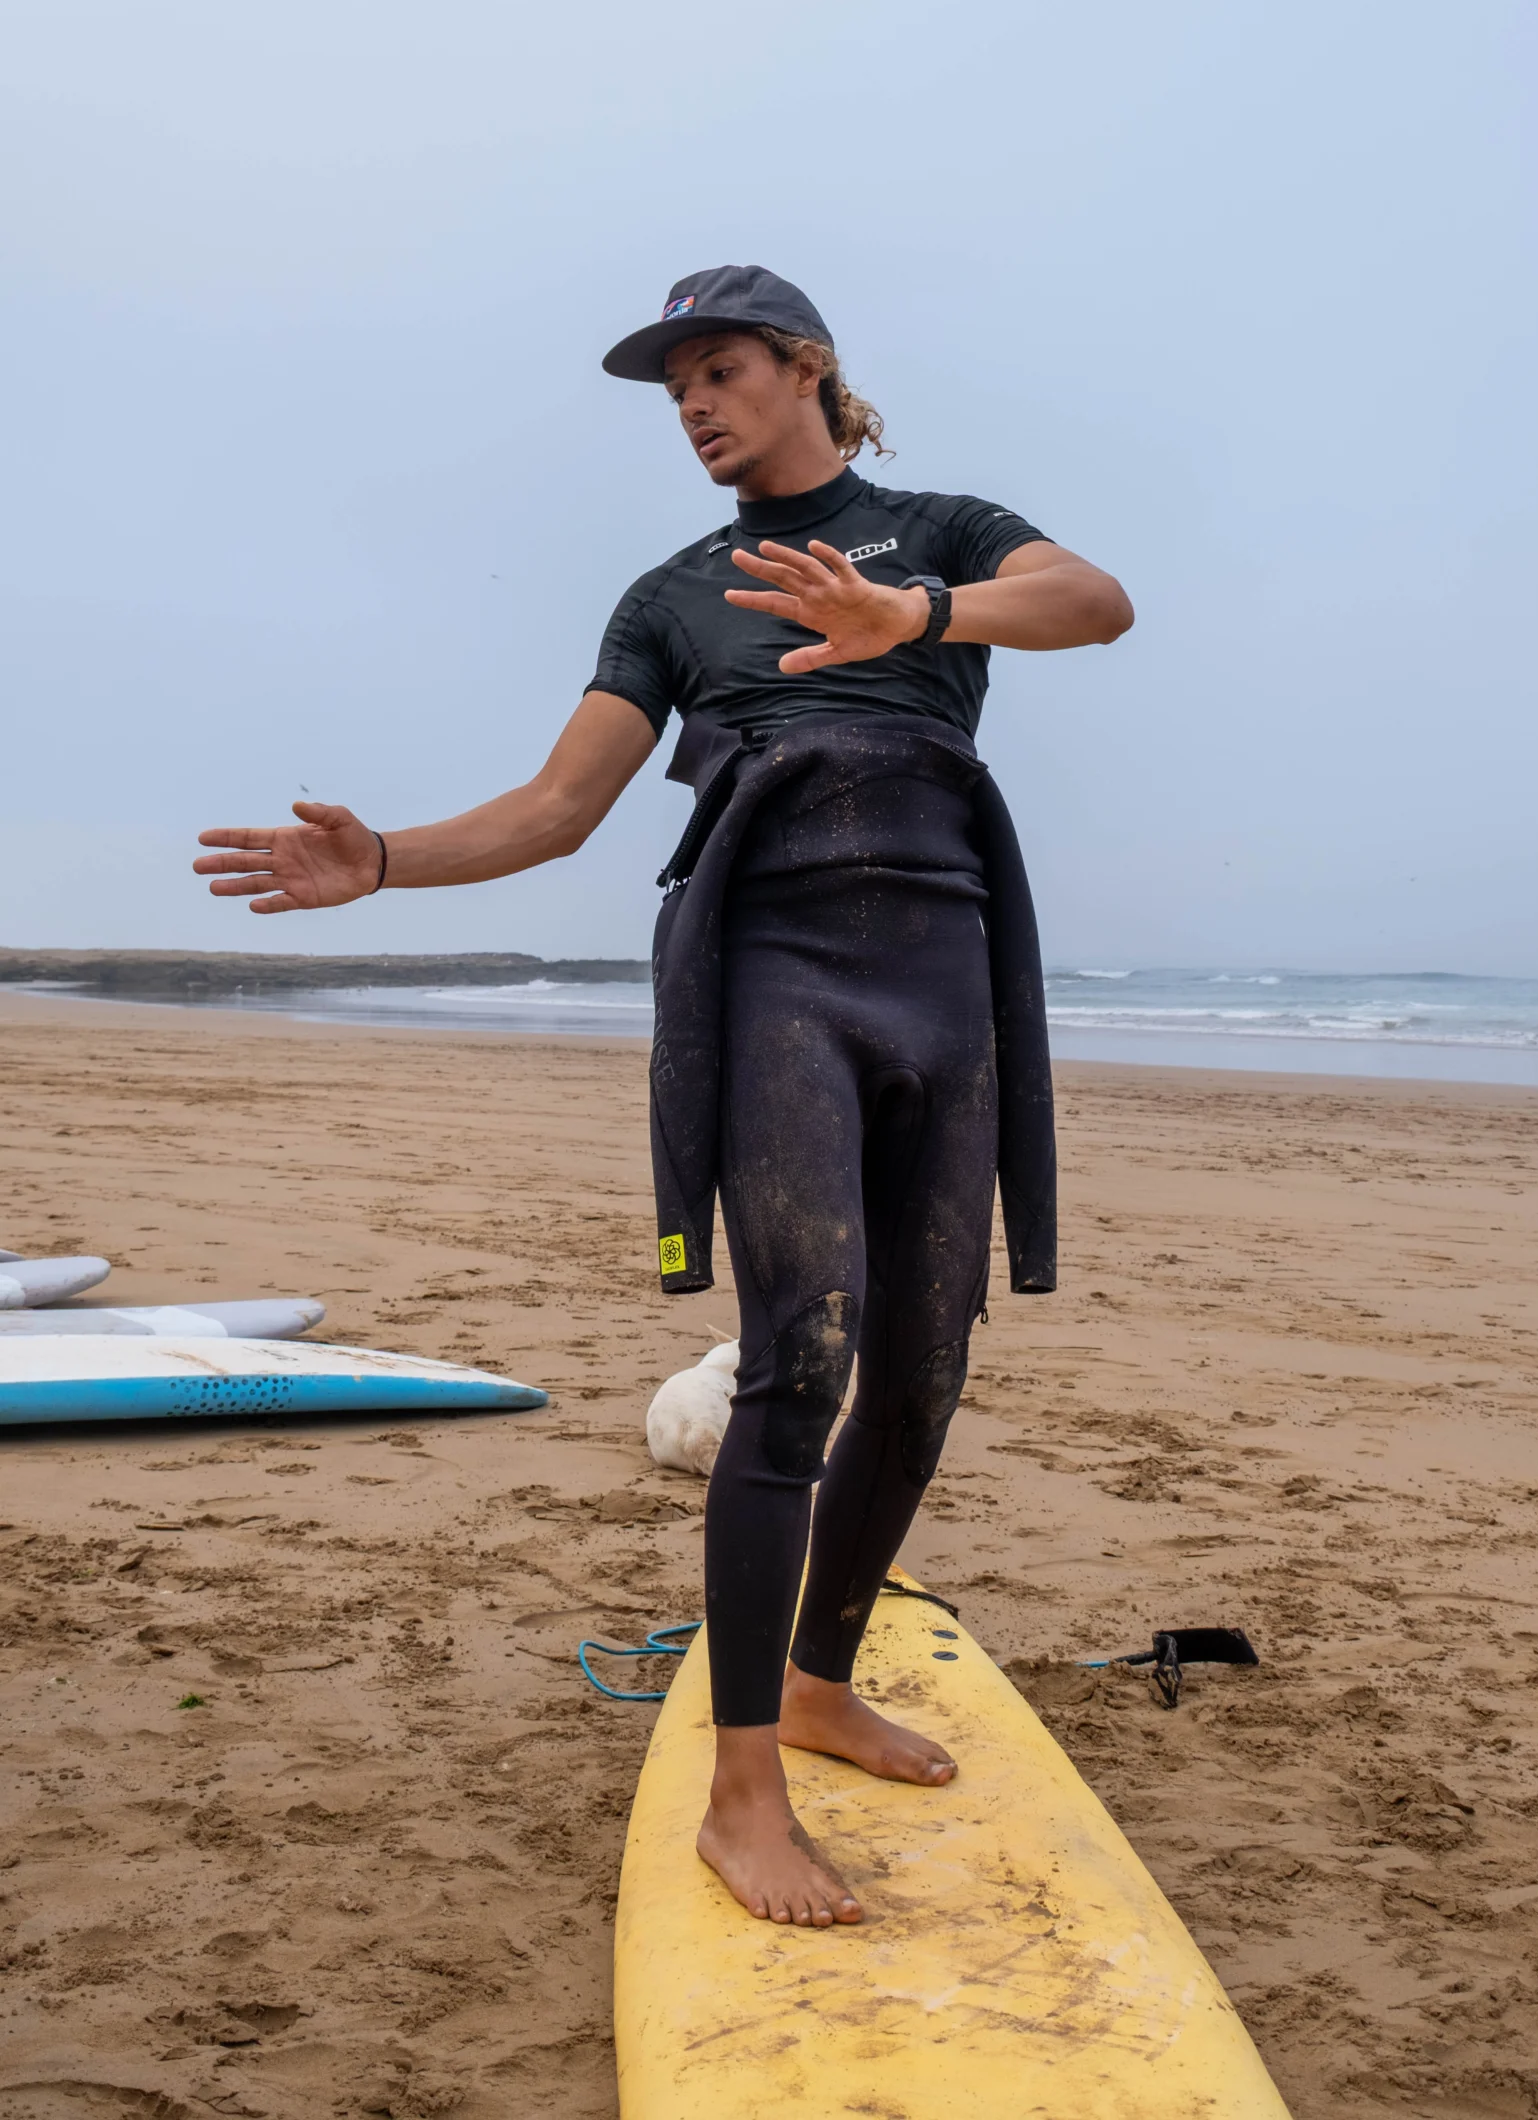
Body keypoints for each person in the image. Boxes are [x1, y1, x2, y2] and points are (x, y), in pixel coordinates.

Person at [195, 265, 1133, 1929]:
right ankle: (744, 1787)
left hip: (948, 964)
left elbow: (1094, 603)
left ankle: (826, 1676)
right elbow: (561, 808)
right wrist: (387, 862)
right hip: (775, 971)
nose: (693, 405)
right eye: (675, 385)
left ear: (807, 370)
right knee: (802, 1361)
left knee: (921, 1375)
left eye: (720, 371)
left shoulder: (938, 528)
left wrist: (906, 616)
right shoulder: (670, 599)